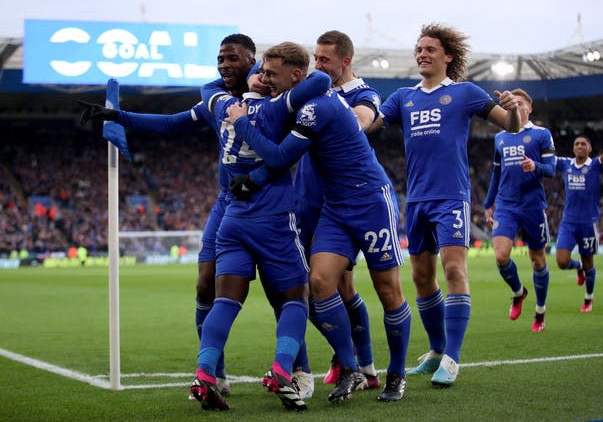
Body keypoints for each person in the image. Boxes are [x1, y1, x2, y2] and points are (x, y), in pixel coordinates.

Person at [225, 41, 411, 403]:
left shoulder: (315, 107)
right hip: (335, 207)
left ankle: (397, 374)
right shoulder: (302, 103)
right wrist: (253, 180)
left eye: (272, 74)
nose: (266, 79)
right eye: (263, 72)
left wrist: (242, 124)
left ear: (296, 75)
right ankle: (350, 366)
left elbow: (279, 156)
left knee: (388, 289)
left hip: (370, 199)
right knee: (320, 282)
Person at [78, 33, 258, 396]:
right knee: (205, 281)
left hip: (273, 203)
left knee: (283, 292)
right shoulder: (214, 97)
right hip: (228, 202)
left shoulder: (275, 92)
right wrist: (120, 116)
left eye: (233, 58)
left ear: (252, 60)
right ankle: (215, 372)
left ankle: (297, 370)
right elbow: (172, 123)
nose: (224, 64)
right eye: (220, 58)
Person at [369, 23, 521, 387]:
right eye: (418, 49)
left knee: (454, 270)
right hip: (417, 198)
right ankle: (436, 350)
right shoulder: (403, 97)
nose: (422, 54)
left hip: (451, 196)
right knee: (422, 277)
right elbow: (369, 125)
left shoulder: (465, 93)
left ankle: (452, 358)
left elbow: (512, 127)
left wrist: (513, 109)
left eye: (430, 49)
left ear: (447, 56)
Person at [192, 45, 331, 411]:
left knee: (225, 300)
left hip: (232, 220)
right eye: (264, 73)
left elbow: (201, 99)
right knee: (295, 300)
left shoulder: (224, 106)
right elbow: (320, 79)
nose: (266, 77)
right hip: (273, 221)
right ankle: (283, 369)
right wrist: (279, 86)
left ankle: (205, 373)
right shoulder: (277, 107)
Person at [301, 30, 382, 389]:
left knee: (337, 285)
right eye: (314, 58)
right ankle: (348, 356)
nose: (317, 66)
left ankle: (361, 365)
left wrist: (327, 109)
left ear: (345, 61)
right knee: (312, 287)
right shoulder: (315, 90)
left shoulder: (362, 95)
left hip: (338, 203)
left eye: (324, 60)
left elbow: (362, 120)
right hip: (305, 199)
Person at [483, 88, 556, 333]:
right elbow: (495, 172)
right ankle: (518, 292)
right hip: (506, 205)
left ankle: (540, 311)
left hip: (533, 205)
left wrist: (535, 165)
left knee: (538, 261)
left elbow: (552, 169)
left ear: (529, 107)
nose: (515, 106)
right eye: (512, 103)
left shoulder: (541, 134)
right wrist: (487, 204)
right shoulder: (500, 138)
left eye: (520, 102)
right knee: (501, 256)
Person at [554, 120, 603, 312]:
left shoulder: (596, 165)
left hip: (588, 224)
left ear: (589, 148)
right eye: (577, 144)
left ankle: (588, 298)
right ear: (573, 149)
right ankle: (578, 267)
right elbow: (546, 158)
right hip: (568, 223)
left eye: (583, 144)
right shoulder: (565, 164)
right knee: (562, 262)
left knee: (590, 263)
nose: (580, 146)